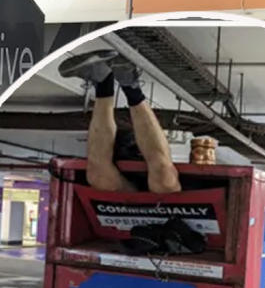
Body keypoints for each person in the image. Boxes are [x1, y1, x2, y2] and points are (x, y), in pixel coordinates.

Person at [58, 49, 181, 194]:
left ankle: (102, 79)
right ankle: (130, 84)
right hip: (170, 210)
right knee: (164, 178)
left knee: (98, 177)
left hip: (129, 210)